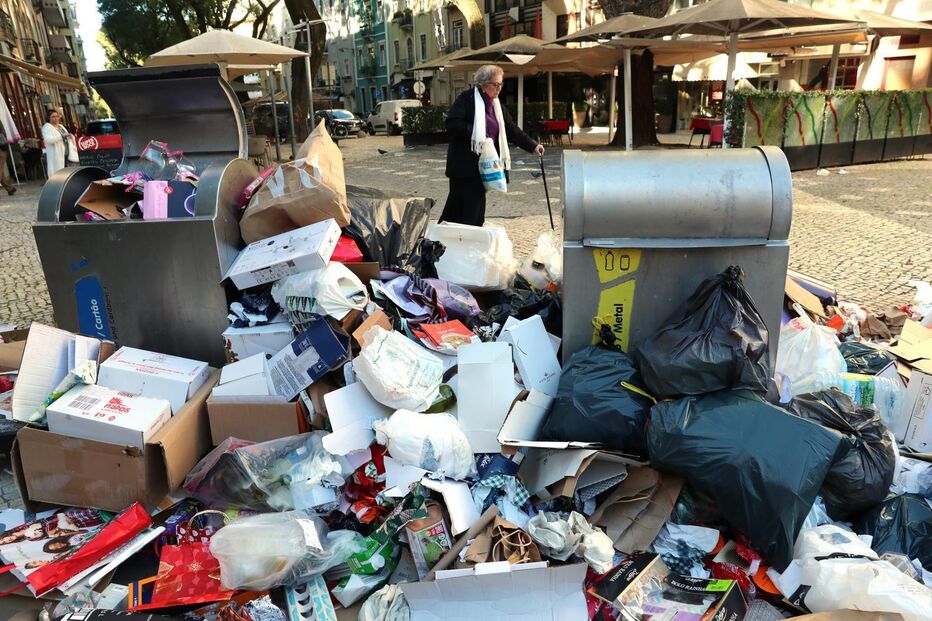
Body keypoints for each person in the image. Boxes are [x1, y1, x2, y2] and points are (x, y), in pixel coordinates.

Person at [441, 64, 544, 226]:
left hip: (483, 167)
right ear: (482, 85)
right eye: (495, 85)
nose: (499, 89)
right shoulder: (466, 99)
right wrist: (477, 133)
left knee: (473, 211)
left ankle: (454, 242)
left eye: (500, 84)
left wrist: (532, 146)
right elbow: (452, 124)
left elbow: (511, 129)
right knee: (463, 211)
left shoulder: (496, 106)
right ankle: (451, 243)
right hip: (464, 167)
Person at [41, 109, 71, 178]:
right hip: (56, 154)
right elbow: (48, 140)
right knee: (59, 173)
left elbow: (65, 136)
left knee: (67, 172)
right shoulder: (47, 127)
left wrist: (69, 136)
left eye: (57, 116)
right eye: (53, 117)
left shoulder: (60, 126)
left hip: (66, 152)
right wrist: (61, 136)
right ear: (49, 118)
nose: (56, 118)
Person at [0, 125, 17, 195]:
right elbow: (3, 132)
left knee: (1, 171)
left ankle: (9, 188)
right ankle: (9, 188)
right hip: (1, 148)